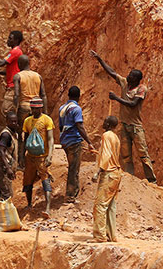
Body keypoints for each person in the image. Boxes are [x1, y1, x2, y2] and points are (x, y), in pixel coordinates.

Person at [91, 51, 156, 182]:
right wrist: (100, 59)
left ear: (136, 79)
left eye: (131, 75)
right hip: (125, 125)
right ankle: (129, 178)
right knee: (126, 155)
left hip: (136, 127)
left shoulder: (141, 89)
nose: (128, 76)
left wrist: (116, 98)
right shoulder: (125, 83)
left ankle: (152, 180)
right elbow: (112, 72)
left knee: (143, 154)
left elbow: (133, 104)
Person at [58, 86, 95, 202]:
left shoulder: (62, 108)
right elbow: (79, 126)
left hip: (64, 140)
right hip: (74, 141)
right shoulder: (76, 109)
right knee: (74, 168)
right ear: (78, 96)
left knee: (72, 166)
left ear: (68, 95)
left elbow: (60, 126)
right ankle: (70, 195)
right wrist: (89, 142)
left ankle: (72, 193)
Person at [19, 97, 54, 215]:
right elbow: (24, 140)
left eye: (37, 109)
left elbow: (50, 139)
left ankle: (48, 208)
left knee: (45, 180)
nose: (34, 111)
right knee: (27, 180)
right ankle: (29, 204)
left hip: (42, 156)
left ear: (41, 108)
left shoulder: (47, 120)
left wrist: (50, 156)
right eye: (33, 109)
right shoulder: (27, 121)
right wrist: (21, 156)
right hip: (30, 156)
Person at [0, 111, 18, 200]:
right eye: (12, 121)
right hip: (1, 167)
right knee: (7, 195)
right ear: (7, 121)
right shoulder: (6, 135)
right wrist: (8, 168)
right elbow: (1, 151)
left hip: (3, 167)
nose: (14, 123)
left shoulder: (13, 134)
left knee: (2, 194)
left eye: (15, 121)